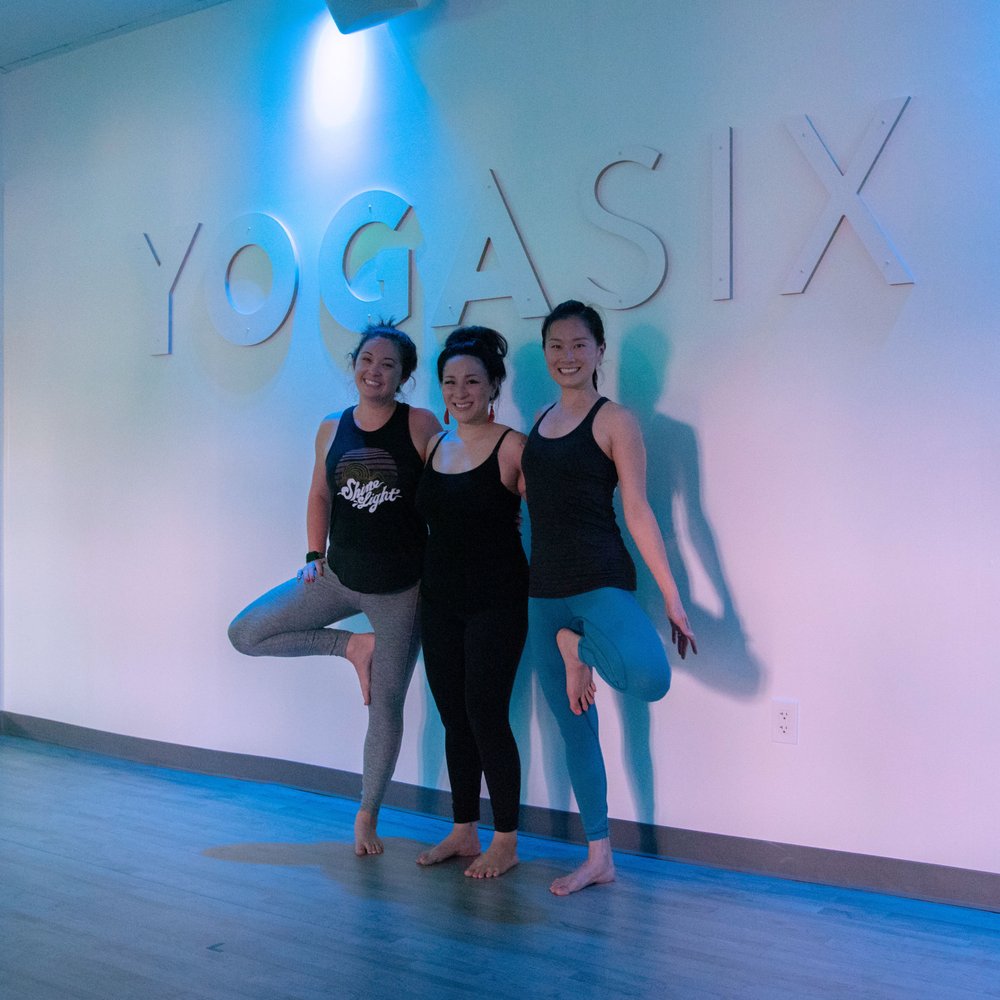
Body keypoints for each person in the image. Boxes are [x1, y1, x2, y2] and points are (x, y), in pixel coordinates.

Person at [228, 323, 441, 856]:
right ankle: (352, 646)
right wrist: (313, 556)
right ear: (354, 364)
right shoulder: (331, 427)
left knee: (384, 707)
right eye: (367, 359)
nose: (374, 371)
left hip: (401, 591)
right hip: (338, 576)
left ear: (403, 376)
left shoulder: (420, 424)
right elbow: (319, 495)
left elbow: (450, 495)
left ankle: (367, 814)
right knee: (246, 633)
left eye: (388, 364)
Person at [520, 299, 697, 896]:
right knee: (575, 729)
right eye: (556, 346)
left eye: (579, 345)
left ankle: (577, 648)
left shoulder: (615, 420)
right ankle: (599, 857)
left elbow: (640, 510)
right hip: (544, 592)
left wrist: (672, 597)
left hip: (600, 581)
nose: (567, 356)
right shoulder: (537, 422)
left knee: (649, 677)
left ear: (599, 351)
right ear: (546, 353)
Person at [414, 326, 529, 879]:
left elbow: (552, 525)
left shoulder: (513, 447)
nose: (460, 392)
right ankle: (464, 830)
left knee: (486, 714)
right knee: (453, 716)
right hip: (438, 601)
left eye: (473, 381)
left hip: (496, 602)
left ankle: (505, 840)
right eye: (450, 381)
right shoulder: (434, 444)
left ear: (493, 386)